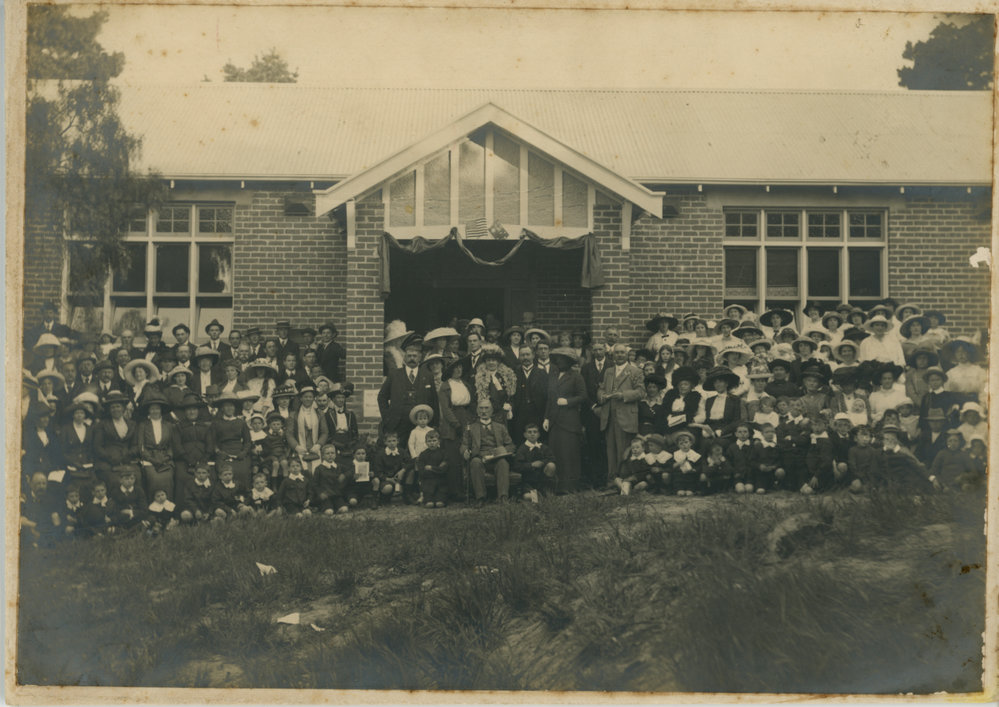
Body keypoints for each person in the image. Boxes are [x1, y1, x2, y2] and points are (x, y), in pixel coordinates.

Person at [596, 344, 645, 489]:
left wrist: (623, 395)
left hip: (626, 416)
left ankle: (624, 481)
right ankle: (612, 481)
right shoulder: (609, 371)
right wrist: (601, 396)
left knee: (624, 450)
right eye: (617, 353)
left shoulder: (635, 371)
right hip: (609, 416)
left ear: (627, 354)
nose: (619, 355)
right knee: (610, 450)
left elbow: (641, 392)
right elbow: (601, 389)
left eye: (622, 353)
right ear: (613, 355)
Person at [377, 336, 435, 446]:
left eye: (415, 356)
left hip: (420, 424)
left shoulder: (427, 376)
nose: (412, 358)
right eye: (409, 356)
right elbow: (382, 397)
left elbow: (433, 401)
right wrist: (387, 417)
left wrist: (433, 423)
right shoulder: (394, 374)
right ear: (404, 358)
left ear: (420, 358)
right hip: (398, 423)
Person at [543, 347, 587, 494]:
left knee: (569, 454)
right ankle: (556, 486)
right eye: (558, 360)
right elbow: (550, 399)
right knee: (556, 453)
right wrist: (546, 418)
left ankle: (570, 487)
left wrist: (568, 401)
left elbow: (583, 396)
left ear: (569, 362)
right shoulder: (552, 376)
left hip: (569, 421)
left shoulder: (576, 376)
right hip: (555, 421)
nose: (560, 362)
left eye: (564, 360)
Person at [462, 399, 516, 506]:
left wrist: (504, 450)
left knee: (503, 463)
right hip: (480, 457)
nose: (484, 411)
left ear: (491, 411)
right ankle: (480, 498)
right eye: (481, 408)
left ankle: (503, 497)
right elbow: (464, 444)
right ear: (477, 411)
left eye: (486, 408)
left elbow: (510, 445)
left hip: (496, 457)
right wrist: (465, 451)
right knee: (475, 462)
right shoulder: (471, 428)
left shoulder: (500, 427)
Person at [437, 358, 475, 501]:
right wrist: (456, 424)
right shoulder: (446, 386)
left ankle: (468, 488)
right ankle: (455, 491)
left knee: (467, 453)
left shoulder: (465, 384)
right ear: (450, 370)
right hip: (452, 423)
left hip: (466, 419)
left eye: (460, 367)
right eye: (455, 368)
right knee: (454, 458)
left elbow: (471, 404)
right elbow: (446, 409)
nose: (458, 370)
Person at [135, 394, 181, 501]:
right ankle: (153, 510)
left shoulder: (169, 425)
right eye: (152, 409)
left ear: (161, 410)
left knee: (168, 478)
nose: (155, 411)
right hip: (149, 459)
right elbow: (141, 446)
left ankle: (168, 509)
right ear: (149, 411)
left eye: (157, 409)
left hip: (165, 459)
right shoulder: (143, 425)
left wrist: (166, 458)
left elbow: (171, 445)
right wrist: (152, 459)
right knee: (153, 478)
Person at [93, 391, 139, 489]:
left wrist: (128, 455)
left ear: (123, 408)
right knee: (114, 480)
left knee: (137, 477)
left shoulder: (132, 424)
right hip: (108, 462)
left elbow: (135, 445)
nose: (115, 409)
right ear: (109, 410)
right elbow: (97, 447)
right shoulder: (103, 425)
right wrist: (110, 457)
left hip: (127, 460)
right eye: (112, 407)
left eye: (118, 406)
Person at [209, 392, 253, 489]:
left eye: (231, 406)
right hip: (223, 453)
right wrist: (219, 452)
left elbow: (248, 442)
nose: (230, 408)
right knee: (224, 472)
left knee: (243, 471)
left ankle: (243, 498)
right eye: (226, 406)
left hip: (239, 453)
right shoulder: (216, 423)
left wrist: (244, 452)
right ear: (222, 408)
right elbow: (213, 442)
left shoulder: (241, 423)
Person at [286, 386, 327, 473]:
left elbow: (324, 432)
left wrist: (318, 445)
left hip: (315, 447)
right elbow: (289, 434)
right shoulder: (294, 414)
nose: (308, 399)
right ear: (301, 398)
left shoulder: (319, 413)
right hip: (300, 447)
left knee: (317, 471)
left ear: (313, 398)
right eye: (305, 397)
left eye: (310, 397)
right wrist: (297, 447)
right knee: (303, 472)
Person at [513, 345, 548, 443]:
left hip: (537, 413)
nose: (525, 358)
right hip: (519, 413)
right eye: (522, 355)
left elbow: (546, 396)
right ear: (519, 357)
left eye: (528, 354)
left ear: (533, 355)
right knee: (519, 440)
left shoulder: (541, 373)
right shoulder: (514, 373)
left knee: (537, 441)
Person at [513, 422, 556, 502]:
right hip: (529, 481)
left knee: (551, 465)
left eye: (535, 432)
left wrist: (542, 462)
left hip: (542, 479)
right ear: (525, 435)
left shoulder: (543, 447)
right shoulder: (522, 449)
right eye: (529, 432)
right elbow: (517, 466)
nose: (532, 434)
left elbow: (552, 458)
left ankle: (546, 493)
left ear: (538, 434)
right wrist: (531, 465)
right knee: (527, 497)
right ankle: (541, 497)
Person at [313, 444, 348, 515]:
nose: (330, 455)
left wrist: (344, 475)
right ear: (322, 456)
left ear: (335, 455)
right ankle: (325, 507)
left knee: (344, 509)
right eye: (327, 453)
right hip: (326, 496)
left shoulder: (339, 466)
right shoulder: (319, 468)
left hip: (336, 495)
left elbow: (351, 470)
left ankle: (336, 507)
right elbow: (315, 484)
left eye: (332, 453)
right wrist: (320, 493)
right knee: (329, 512)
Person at [417, 429, 449, 508]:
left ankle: (440, 498)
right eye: (429, 441)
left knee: (439, 503)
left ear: (439, 441)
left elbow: (443, 469)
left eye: (434, 441)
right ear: (426, 442)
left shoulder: (443, 453)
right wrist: (437, 470)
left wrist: (431, 468)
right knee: (429, 504)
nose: (432, 443)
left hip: (441, 483)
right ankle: (427, 498)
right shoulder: (423, 455)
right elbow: (422, 471)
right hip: (428, 483)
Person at [111, 467, 148, 533]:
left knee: (150, 518)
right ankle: (135, 529)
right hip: (122, 517)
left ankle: (124, 532)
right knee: (117, 518)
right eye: (126, 479)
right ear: (120, 480)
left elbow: (144, 508)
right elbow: (114, 508)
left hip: (136, 515)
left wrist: (131, 512)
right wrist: (124, 512)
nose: (129, 481)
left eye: (132, 478)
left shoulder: (139, 491)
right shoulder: (115, 492)